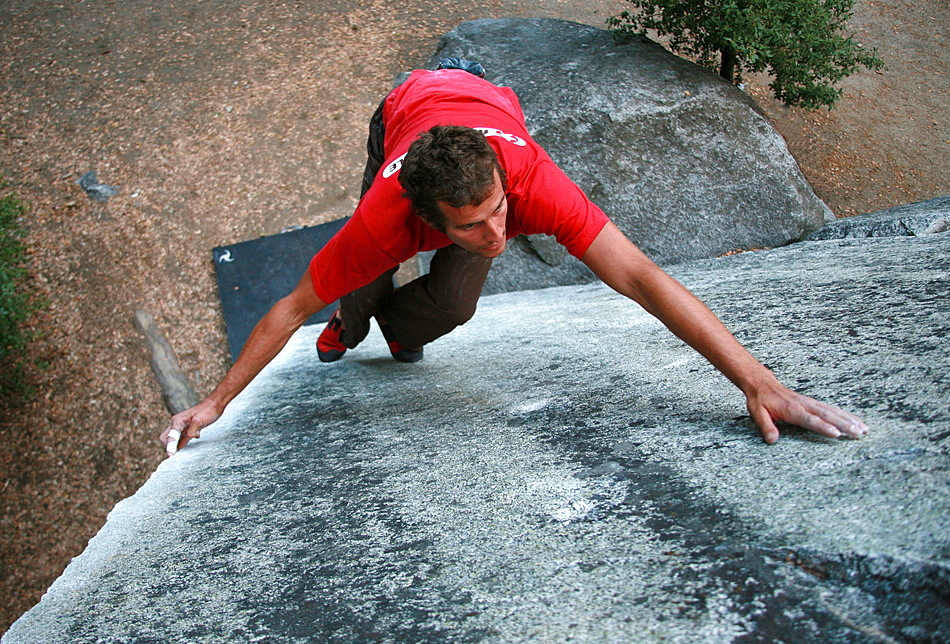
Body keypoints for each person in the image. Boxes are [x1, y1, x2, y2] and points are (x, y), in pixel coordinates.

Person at [162, 61, 867, 455]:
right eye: (471, 226)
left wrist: (757, 381)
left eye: (501, 210)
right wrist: (215, 402)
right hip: (405, 109)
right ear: (429, 219)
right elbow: (288, 307)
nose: (500, 234)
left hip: (485, 101)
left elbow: (644, 280)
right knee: (360, 282)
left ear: (505, 182)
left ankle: (400, 332)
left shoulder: (527, 184)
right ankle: (354, 329)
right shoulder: (386, 219)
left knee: (457, 303)